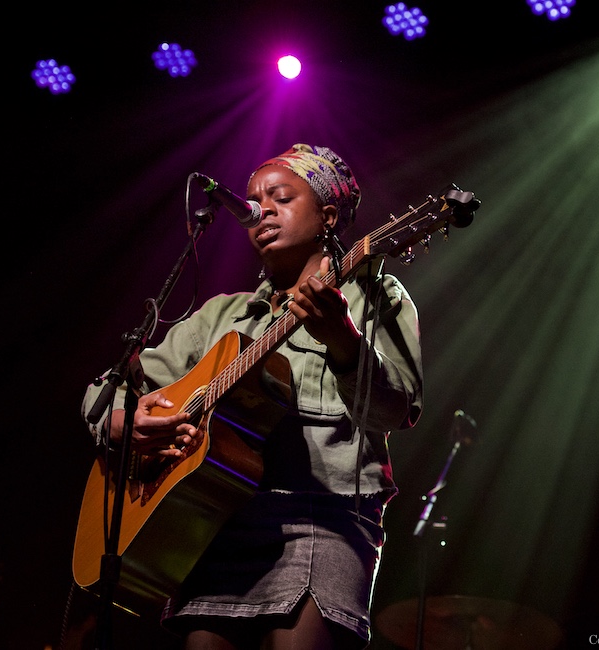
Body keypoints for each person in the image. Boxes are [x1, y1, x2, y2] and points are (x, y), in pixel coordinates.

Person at [81, 143, 423, 650]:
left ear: (328, 215)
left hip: (321, 519)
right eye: (253, 202)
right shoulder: (222, 317)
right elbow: (106, 392)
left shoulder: (373, 294)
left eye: (280, 198)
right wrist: (119, 424)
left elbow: (398, 409)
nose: (260, 211)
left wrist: (346, 343)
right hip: (213, 525)